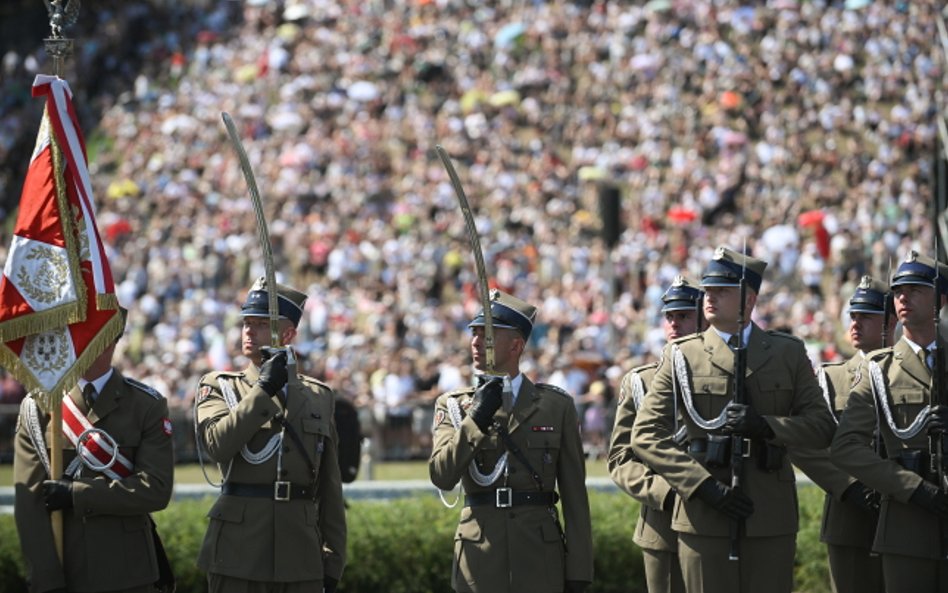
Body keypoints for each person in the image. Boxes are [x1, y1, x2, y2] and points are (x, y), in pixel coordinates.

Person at [630, 246, 836, 593]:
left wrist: (767, 426)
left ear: (749, 298)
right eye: (708, 290)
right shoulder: (682, 355)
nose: (709, 297)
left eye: (721, 291)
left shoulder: (787, 352)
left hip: (769, 514)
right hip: (702, 515)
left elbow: (821, 426)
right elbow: (646, 435)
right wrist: (702, 487)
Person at [429, 289, 594, 593]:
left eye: (487, 335)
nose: (475, 342)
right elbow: (442, 475)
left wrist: (579, 568)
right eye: (474, 334)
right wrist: (476, 419)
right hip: (480, 556)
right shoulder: (453, 406)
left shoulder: (555, 406)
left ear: (516, 345)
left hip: (539, 555)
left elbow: (574, 495)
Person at [194, 277, 347, 593]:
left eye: (261, 324)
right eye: (246, 323)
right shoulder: (220, 386)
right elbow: (217, 446)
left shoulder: (318, 396)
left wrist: (333, 559)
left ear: (288, 334)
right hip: (238, 553)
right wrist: (263, 390)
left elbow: (330, 486)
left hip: (300, 553)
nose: (248, 331)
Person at [13, 312, 176, 593]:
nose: (78, 340)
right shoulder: (38, 407)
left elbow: (156, 490)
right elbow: (28, 504)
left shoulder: (146, 405)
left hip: (129, 574)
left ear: (112, 338)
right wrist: (47, 580)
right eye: (73, 331)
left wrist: (77, 494)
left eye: (88, 332)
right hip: (65, 570)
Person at [831, 251, 948, 591]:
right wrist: (911, 488)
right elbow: (846, 449)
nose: (902, 297)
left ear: (939, 298)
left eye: (914, 289)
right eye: (898, 290)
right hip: (905, 524)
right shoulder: (878, 370)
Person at [791, 276, 894, 593]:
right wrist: (847, 486)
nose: (856, 323)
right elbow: (804, 442)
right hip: (849, 516)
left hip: (906, 511)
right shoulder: (830, 379)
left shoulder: (913, 375)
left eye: (867, 316)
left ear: (890, 321)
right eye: (853, 316)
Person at [608, 275, 704, 593]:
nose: (674, 324)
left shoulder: (731, 377)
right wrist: (664, 492)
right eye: (670, 317)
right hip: (662, 525)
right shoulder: (640, 382)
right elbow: (621, 460)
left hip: (717, 519)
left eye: (685, 316)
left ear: (703, 320)